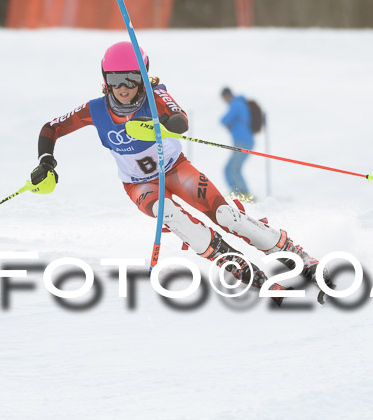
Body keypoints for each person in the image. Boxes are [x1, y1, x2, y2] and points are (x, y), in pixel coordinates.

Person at [30, 42, 327, 300]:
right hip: (139, 185)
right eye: (116, 80)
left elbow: (180, 119)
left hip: (175, 169)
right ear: (105, 80)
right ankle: (239, 267)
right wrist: (46, 160)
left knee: (227, 216)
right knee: (171, 215)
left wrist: (165, 122)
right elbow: (51, 128)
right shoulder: (94, 110)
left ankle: (295, 255)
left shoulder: (156, 94)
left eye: (132, 79)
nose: (123, 88)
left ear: (143, 77)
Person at [220, 87, 255, 196]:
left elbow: (224, 120)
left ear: (227, 96)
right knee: (230, 168)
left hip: (242, 141)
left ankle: (243, 193)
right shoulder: (240, 103)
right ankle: (237, 192)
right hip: (244, 141)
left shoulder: (236, 104)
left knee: (233, 168)